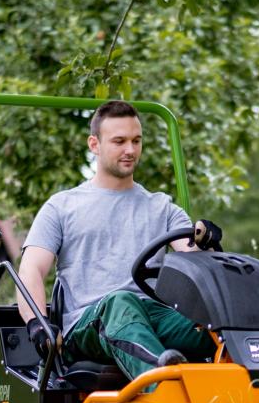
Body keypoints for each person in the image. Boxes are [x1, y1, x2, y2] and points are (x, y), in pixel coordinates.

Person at [16, 100, 222, 379]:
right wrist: (37, 324)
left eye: (136, 141)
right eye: (119, 141)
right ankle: (163, 382)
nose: (130, 150)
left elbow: (193, 258)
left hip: (153, 316)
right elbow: (31, 269)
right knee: (121, 302)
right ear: (94, 144)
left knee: (215, 325)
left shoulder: (162, 207)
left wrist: (206, 240)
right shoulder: (62, 206)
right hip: (89, 325)